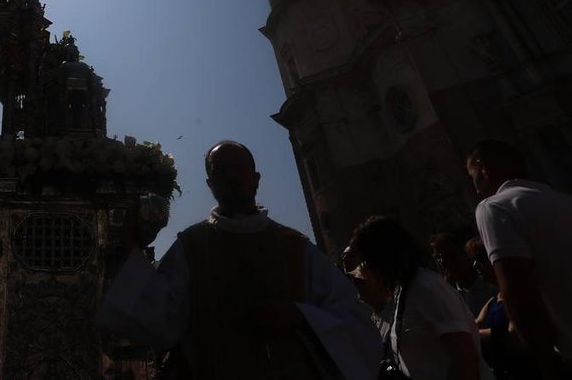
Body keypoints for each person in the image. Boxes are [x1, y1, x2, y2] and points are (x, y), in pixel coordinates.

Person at [96, 141, 381, 379]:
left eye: (238, 169)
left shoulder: (296, 248)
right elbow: (159, 317)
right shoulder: (191, 247)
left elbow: (354, 321)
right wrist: (131, 253)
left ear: (255, 178)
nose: (231, 176)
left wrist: (300, 315)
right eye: (221, 171)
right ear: (210, 183)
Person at [467, 139, 572, 379]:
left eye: (473, 177)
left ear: (483, 168)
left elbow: (520, 295)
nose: (475, 189)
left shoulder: (495, 207)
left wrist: (547, 365)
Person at [348, 216, 492, 380]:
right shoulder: (405, 291)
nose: (364, 271)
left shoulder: (426, 288)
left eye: (366, 262)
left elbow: (465, 358)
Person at [465, 237, 534, 380]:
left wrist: (476, 334)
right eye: (472, 260)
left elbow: (513, 334)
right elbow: (474, 324)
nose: (475, 265)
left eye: (479, 258)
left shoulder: (515, 293)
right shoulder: (492, 301)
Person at [429, 227, 497, 315]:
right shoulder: (446, 294)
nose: (443, 262)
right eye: (438, 258)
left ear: (463, 254)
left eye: (448, 255)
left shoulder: (490, 283)